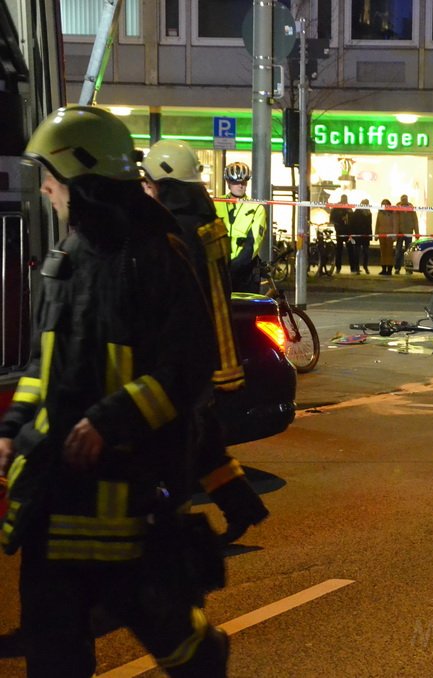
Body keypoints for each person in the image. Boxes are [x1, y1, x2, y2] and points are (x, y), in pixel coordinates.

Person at [0, 105, 228, 676]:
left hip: (129, 506)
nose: (47, 191)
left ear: (83, 176)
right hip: (55, 501)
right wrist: (10, 431)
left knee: (178, 644)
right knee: (52, 652)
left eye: (51, 177)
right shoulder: (64, 259)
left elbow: (188, 365)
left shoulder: (156, 254)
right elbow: (40, 367)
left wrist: (109, 421)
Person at [142, 139, 270, 546]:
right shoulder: (204, 217)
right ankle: (242, 507)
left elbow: (175, 294)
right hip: (210, 347)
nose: (143, 188)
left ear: (163, 181)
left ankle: (173, 534)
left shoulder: (175, 226)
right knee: (203, 438)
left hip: (186, 352)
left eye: (147, 181)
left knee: (178, 441)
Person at [214, 161, 267, 293]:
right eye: (236, 182)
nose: (240, 185)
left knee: (246, 312)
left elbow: (253, 243)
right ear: (228, 183)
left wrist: (234, 267)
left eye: (244, 182)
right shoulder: (216, 203)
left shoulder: (256, 207)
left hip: (245, 272)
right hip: (219, 269)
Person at [329, 193, 353, 274]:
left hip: (348, 231)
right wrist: (340, 220)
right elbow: (332, 218)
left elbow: (353, 218)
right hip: (340, 230)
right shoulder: (336, 207)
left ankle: (352, 268)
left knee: (350, 250)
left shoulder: (349, 207)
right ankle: (338, 267)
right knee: (339, 250)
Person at [394, 194, 419, 274]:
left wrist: (417, 233)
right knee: (398, 251)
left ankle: (408, 269)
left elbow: (415, 220)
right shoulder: (397, 209)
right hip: (400, 232)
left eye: (405, 199)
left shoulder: (411, 208)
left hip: (409, 232)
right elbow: (395, 220)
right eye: (403, 199)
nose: (404, 200)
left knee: (408, 251)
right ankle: (397, 268)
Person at [348, 198, 373, 274]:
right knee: (357, 252)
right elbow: (352, 224)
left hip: (365, 235)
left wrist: (370, 235)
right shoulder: (357, 212)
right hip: (358, 235)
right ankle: (357, 267)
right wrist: (352, 234)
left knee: (365, 252)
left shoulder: (369, 213)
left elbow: (369, 225)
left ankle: (365, 266)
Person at [375, 198, 397, 275]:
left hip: (389, 235)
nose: (384, 205)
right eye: (383, 204)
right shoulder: (380, 212)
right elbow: (377, 224)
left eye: (386, 203)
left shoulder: (392, 213)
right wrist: (376, 234)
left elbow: (395, 224)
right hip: (381, 234)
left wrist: (394, 236)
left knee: (389, 252)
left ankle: (389, 269)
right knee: (383, 252)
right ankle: (383, 268)